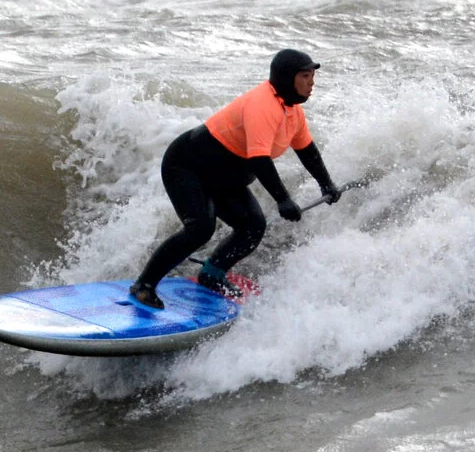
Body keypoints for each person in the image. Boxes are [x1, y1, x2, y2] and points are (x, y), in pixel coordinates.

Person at [129, 49, 340, 310]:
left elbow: (307, 150)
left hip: (225, 177)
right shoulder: (263, 106)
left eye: (313, 76)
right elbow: (259, 159)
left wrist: (326, 183)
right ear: (286, 78)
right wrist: (283, 199)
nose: (312, 83)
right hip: (187, 166)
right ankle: (144, 285)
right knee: (200, 228)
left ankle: (211, 275)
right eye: (306, 76)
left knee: (252, 227)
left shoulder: (292, 111)